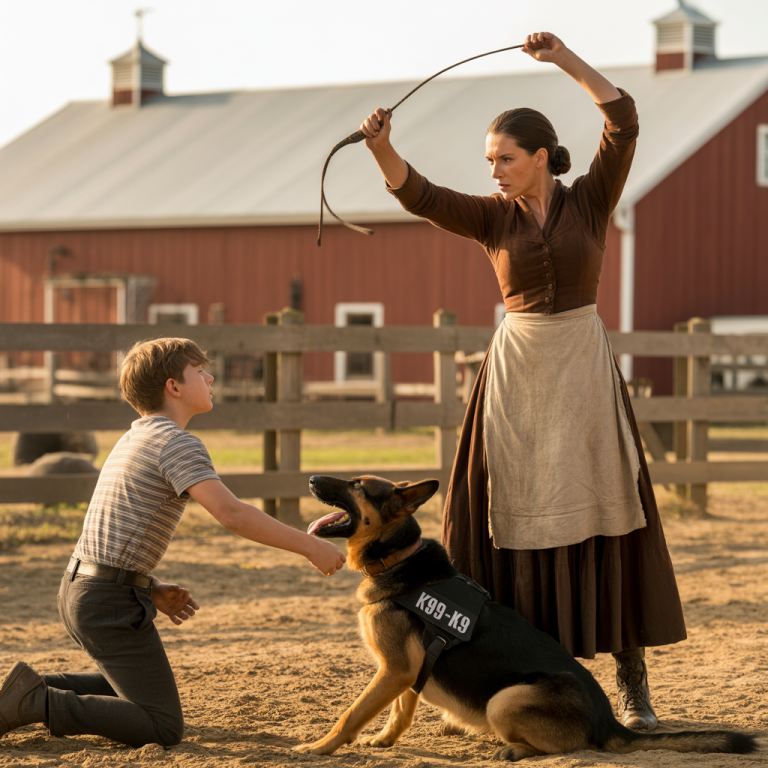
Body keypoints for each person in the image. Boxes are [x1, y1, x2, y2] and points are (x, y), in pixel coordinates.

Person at [359, 32, 686, 731]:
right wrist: (382, 146)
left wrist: (563, 59)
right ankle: (497, 673)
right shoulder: (489, 217)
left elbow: (622, 119)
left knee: (610, 516)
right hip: (514, 380)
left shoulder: (593, 199)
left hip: (584, 376)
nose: (495, 171)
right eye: (488, 161)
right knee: (499, 524)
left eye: (505, 159)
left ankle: (631, 683)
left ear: (541, 156)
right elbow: (420, 195)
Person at [0, 338, 345, 747]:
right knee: (161, 725)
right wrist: (311, 546)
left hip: (82, 588)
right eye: (200, 371)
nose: (210, 376)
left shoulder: (135, 437)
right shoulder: (176, 443)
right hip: (105, 599)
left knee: (131, 688)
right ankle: (36, 701)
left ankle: (25, 689)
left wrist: (149, 584)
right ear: (174, 387)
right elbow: (232, 514)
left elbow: (116, 527)